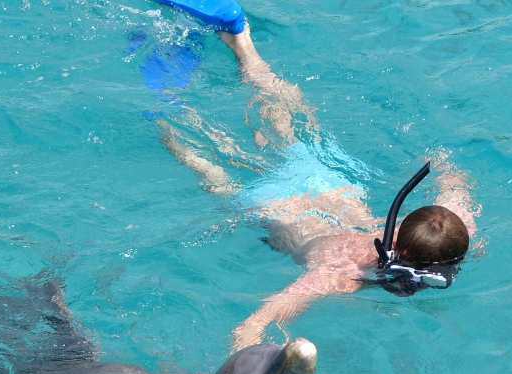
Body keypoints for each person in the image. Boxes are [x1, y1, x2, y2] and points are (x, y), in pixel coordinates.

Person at [156, 23, 480, 351]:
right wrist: (251, 338)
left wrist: (437, 161)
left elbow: (453, 182)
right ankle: (163, 114)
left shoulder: (455, 222)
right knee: (211, 171)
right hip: (275, 207)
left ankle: (244, 48)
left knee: (282, 120)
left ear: (402, 227)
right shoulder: (348, 271)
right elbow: (261, 317)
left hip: (327, 182)